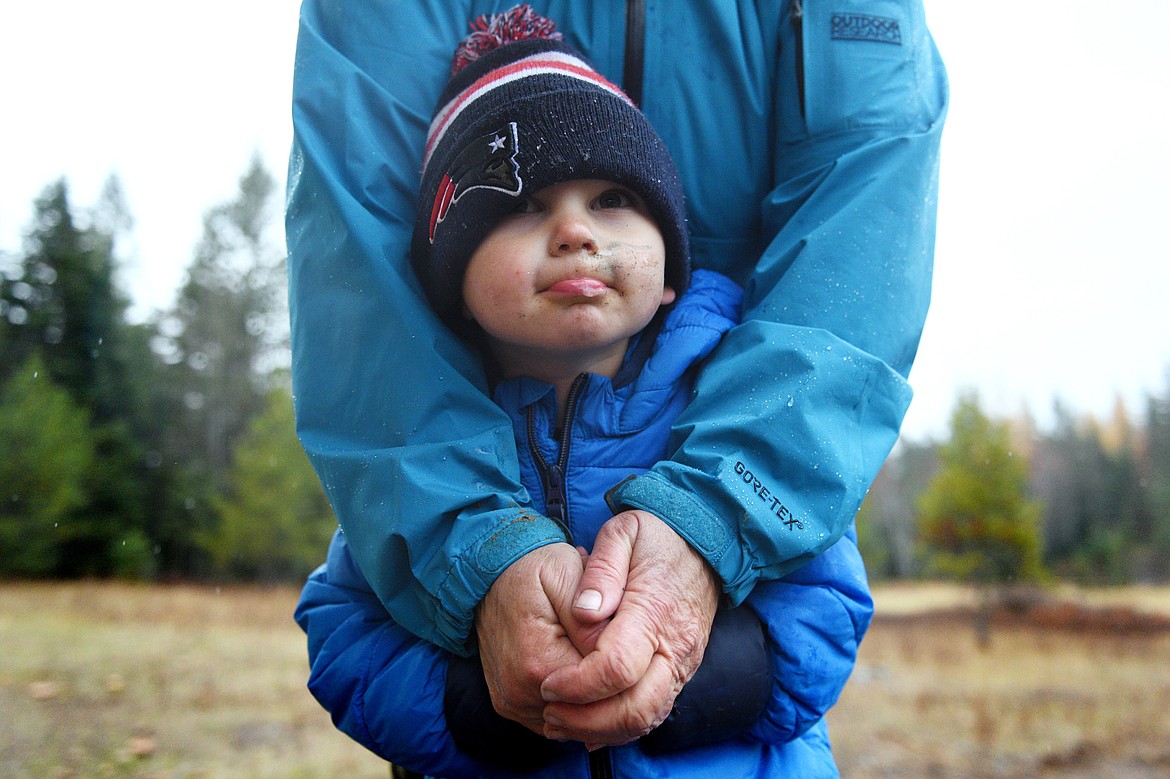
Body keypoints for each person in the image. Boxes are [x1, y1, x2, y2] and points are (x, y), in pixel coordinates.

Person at [286, 0, 947, 746]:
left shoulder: (704, 400)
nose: (575, 231)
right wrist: (484, 705)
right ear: (450, 282)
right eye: (524, 204)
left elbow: (826, 608)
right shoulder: (442, 460)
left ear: (672, 268)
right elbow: (345, 632)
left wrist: (683, 682)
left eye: (613, 200)